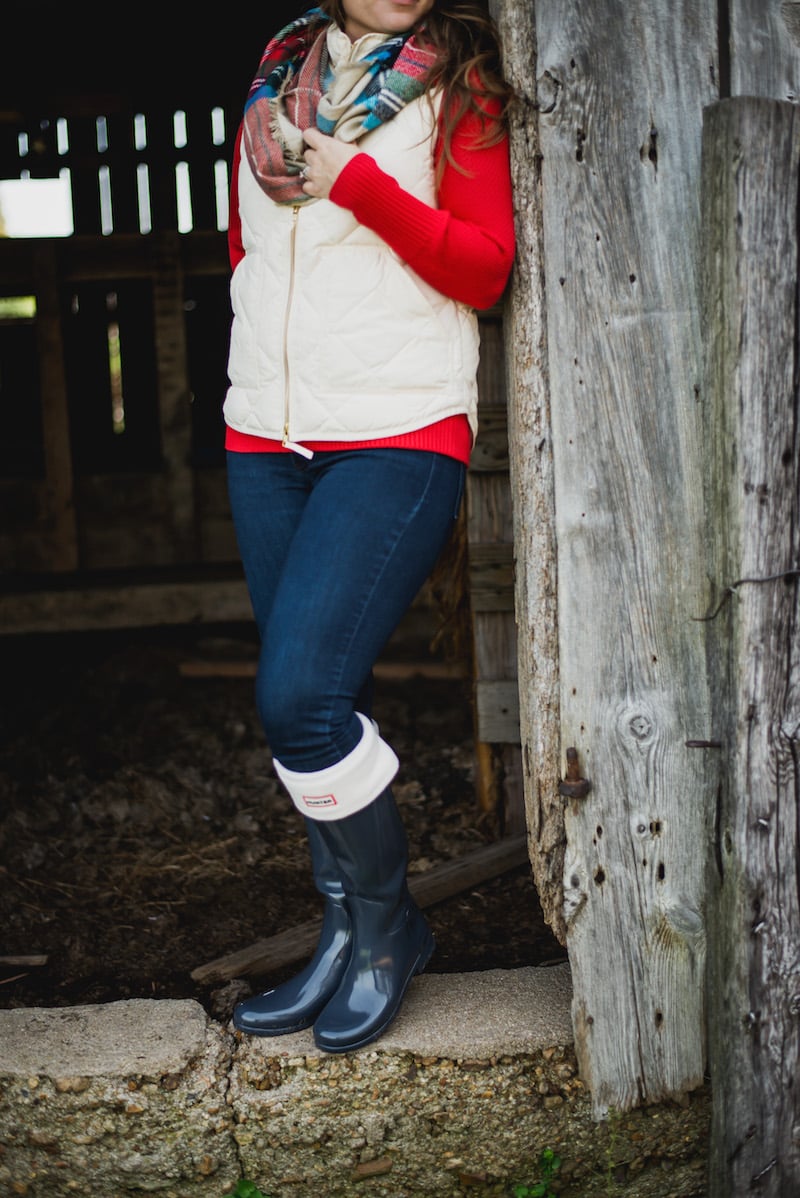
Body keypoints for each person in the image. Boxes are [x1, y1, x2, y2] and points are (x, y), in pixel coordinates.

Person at [224, 0, 515, 1054]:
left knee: (297, 697)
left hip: (398, 430)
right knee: (320, 701)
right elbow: (247, 253)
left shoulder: (459, 82)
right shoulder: (274, 75)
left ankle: (391, 929)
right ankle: (343, 927)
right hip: (264, 436)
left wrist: (353, 179)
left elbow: (483, 267)